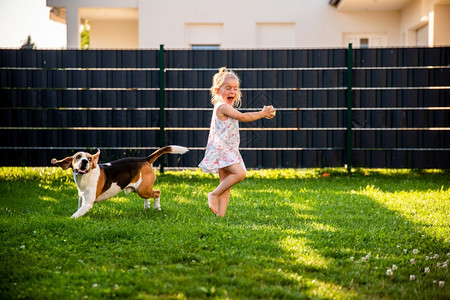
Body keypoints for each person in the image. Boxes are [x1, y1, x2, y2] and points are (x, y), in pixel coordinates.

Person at [198, 67, 276, 217]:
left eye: (235, 88)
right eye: (228, 88)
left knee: (226, 185)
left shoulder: (222, 107)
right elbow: (244, 117)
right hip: (224, 151)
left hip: (226, 149)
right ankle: (213, 195)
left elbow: (216, 130)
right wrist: (262, 113)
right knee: (240, 173)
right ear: (217, 90)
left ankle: (220, 216)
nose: (232, 92)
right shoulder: (223, 107)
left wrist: (210, 146)